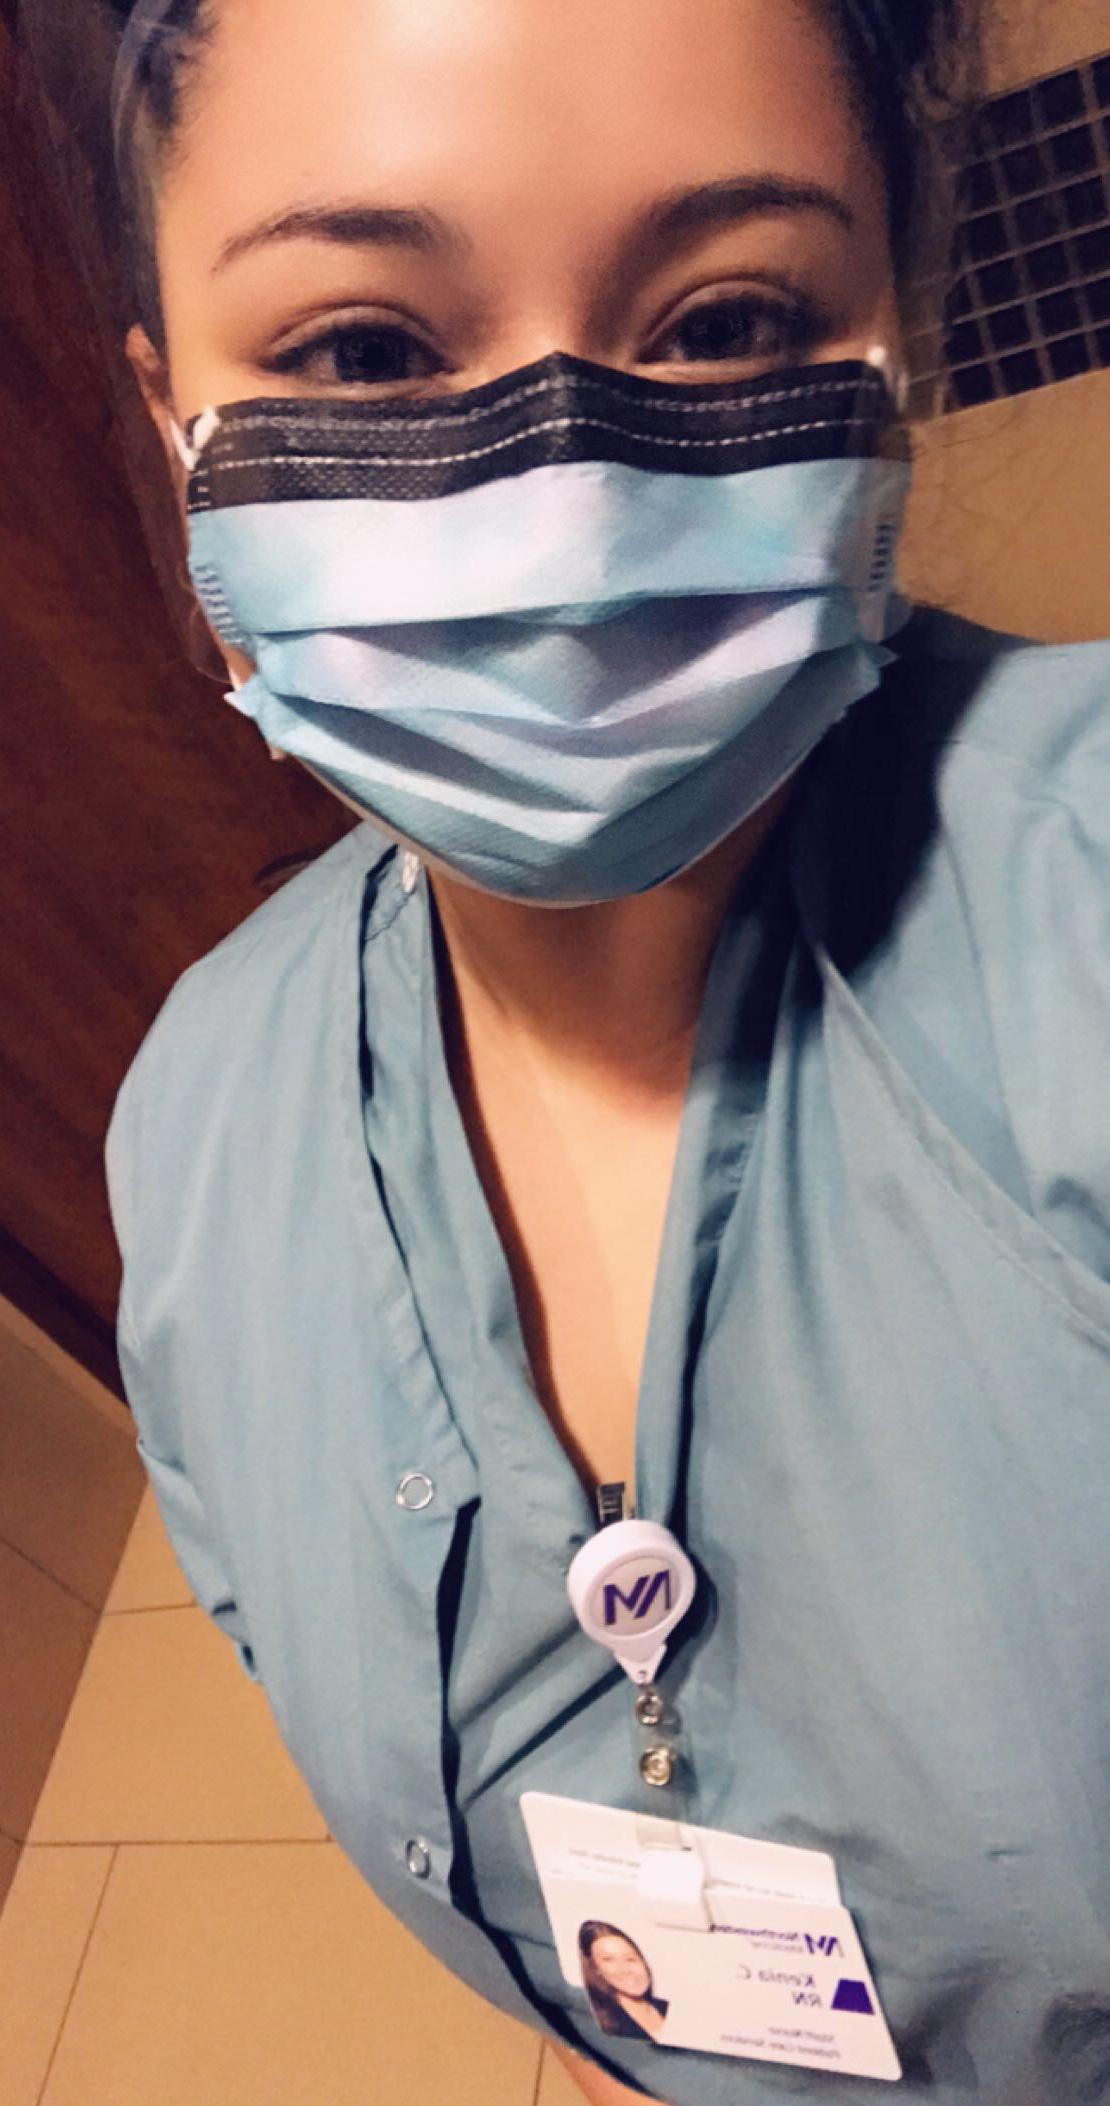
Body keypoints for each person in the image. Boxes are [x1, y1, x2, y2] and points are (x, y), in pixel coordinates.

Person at [18, 0, 1110, 2100]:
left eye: (724, 324)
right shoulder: (201, 1124)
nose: (567, 520)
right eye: (363, 354)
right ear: (171, 422)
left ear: (898, 345)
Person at [579, 1923, 670, 2044]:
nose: (624, 1969)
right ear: (596, 1968)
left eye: (630, 1959)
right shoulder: (601, 2022)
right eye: (608, 1960)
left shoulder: (667, 2007)